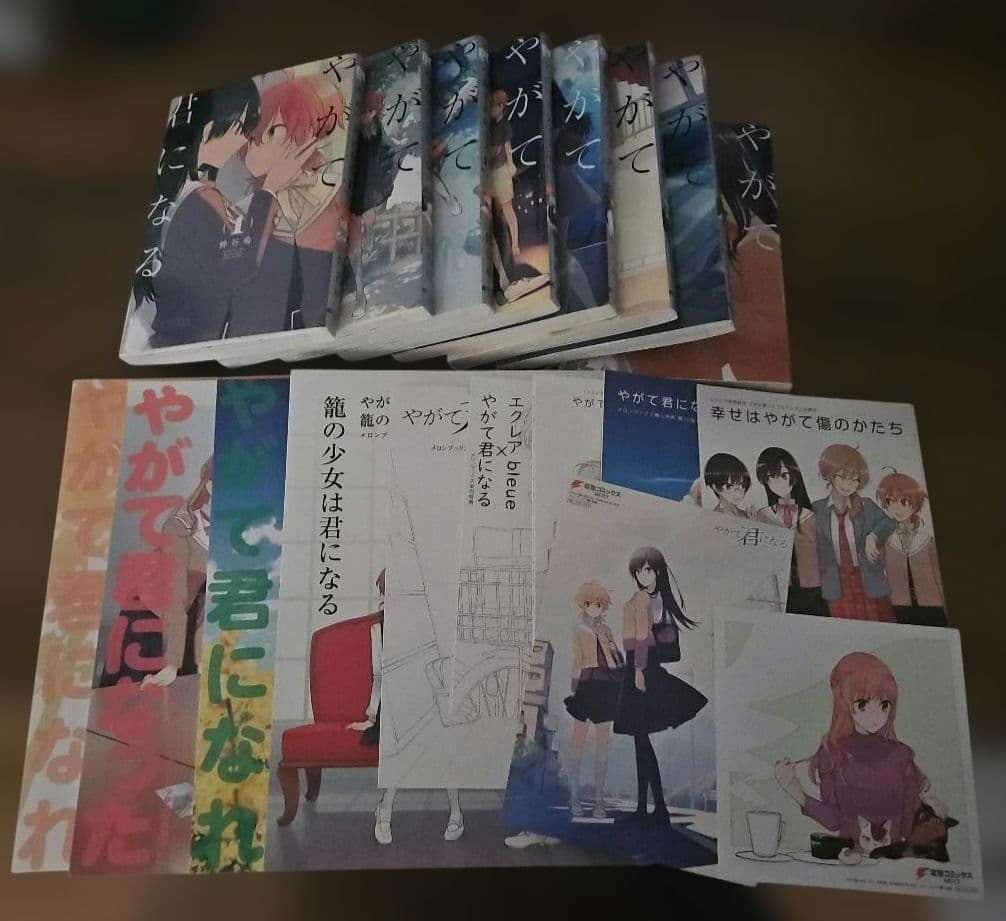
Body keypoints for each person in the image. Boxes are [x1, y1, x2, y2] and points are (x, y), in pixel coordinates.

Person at [774, 652, 945, 857]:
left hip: (893, 861)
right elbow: (833, 821)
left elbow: (909, 824)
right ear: (845, 704)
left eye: (884, 705)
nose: (876, 716)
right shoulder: (832, 754)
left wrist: (933, 813)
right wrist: (796, 791)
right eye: (863, 705)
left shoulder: (901, 756)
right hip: (850, 860)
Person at [345, 569, 464, 844]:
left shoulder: (432, 621)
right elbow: (379, 676)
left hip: (431, 697)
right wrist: (371, 717)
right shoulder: (379, 629)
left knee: (444, 738)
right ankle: (385, 809)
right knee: (402, 739)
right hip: (397, 703)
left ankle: (456, 811)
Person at [99, 457, 212, 688]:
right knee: (135, 696)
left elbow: (207, 600)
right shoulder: (178, 525)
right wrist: (171, 665)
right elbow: (174, 593)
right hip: (149, 613)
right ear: (210, 485)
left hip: (186, 616)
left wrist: (202, 657)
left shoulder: (227, 532)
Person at [613, 548, 707, 824]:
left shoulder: (645, 600)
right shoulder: (651, 599)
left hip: (642, 672)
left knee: (641, 743)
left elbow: (641, 639)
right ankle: (652, 809)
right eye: (638, 571)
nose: (643, 575)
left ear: (657, 571)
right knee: (641, 743)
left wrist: (638, 672)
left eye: (648, 569)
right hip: (644, 672)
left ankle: (651, 809)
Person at [812, 444, 896, 621]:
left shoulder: (867, 505)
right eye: (843, 477)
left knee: (878, 623)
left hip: (867, 578)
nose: (848, 485)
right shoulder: (817, 509)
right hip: (836, 582)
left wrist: (873, 536)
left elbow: (888, 523)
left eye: (854, 479)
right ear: (829, 474)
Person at [563, 582, 624, 819]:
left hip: (607, 687)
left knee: (602, 746)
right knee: (577, 742)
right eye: (589, 603)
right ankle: (574, 795)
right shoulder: (578, 629)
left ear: (604, 606)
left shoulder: (606, 630)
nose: (594, 608)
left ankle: (599, 800)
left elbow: (617, 658)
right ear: (583, 604)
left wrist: (612, 647)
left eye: (598, 604)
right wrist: (574, 687)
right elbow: (577, 659)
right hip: (586, 686)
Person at [754, 447, 827, 616]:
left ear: (794, 476)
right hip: (778, 592)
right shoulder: (763, 516)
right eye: (771, 477)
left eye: (783, 475)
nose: (778, 483)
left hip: (813, 591)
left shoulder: (811, 516)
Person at [875, 471, 946, 627]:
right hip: (899, 606)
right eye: (889, 502)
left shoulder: (928, 541)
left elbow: (939, 578)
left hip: (932, 606)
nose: (896, 508)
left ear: (915, 503)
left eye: (903, 501)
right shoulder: (886, 541)